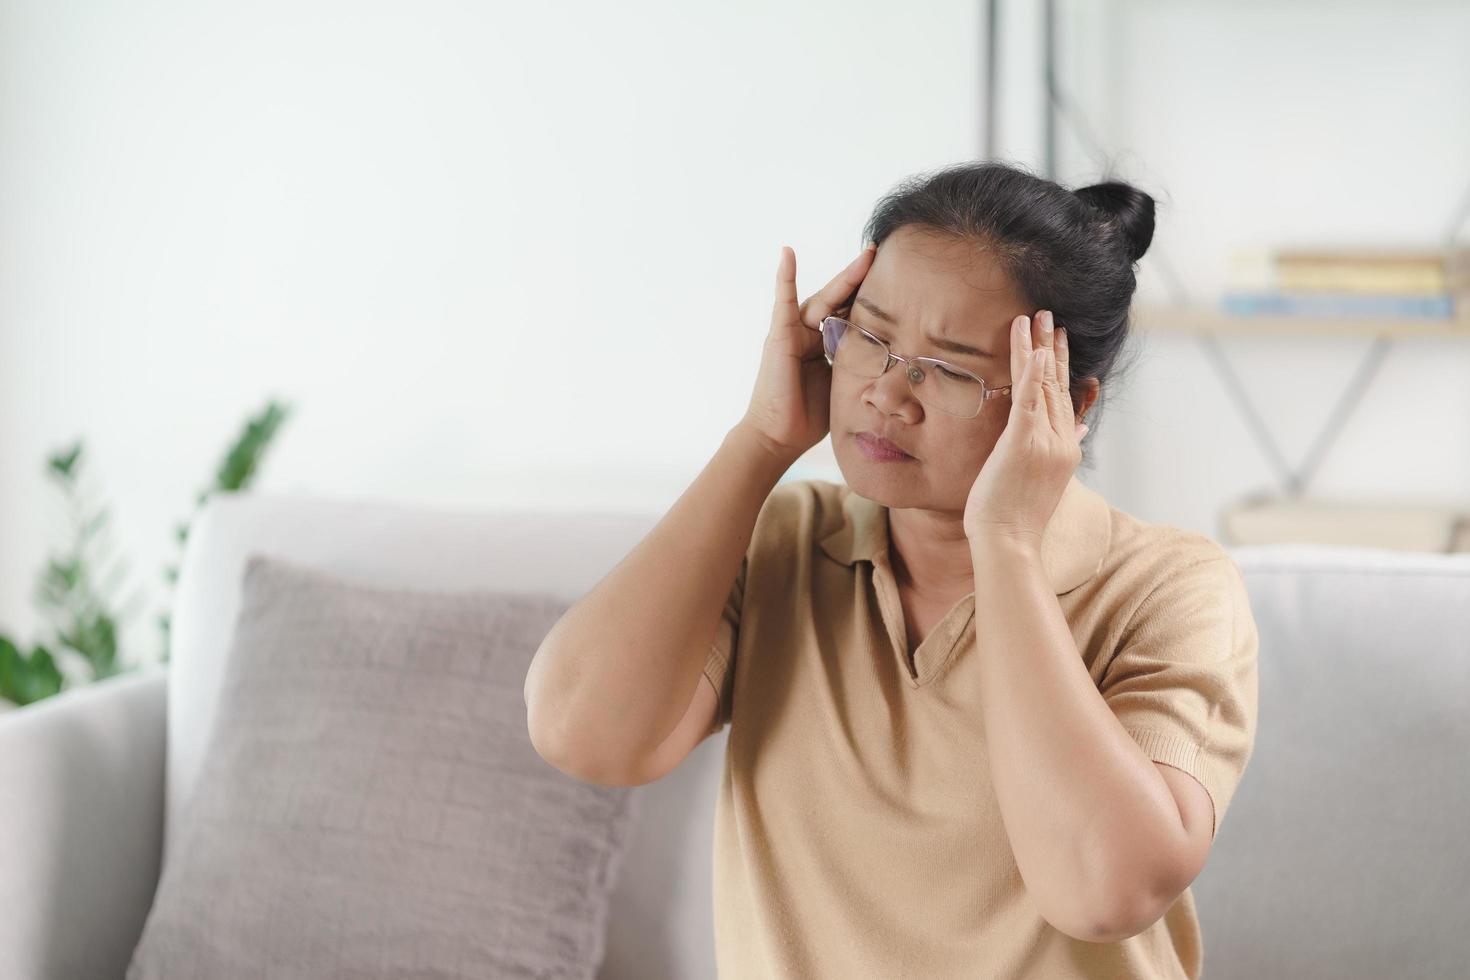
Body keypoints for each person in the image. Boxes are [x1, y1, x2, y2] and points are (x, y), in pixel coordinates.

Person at [524, 160, 1259, 980]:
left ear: (1069, 405)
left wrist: (1007, 544)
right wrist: (758, 445)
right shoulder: (788, 542)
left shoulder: (1170, 588)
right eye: (871, 337)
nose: (885, 394)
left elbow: (1104, 891)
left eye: (948, 370)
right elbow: (582, 735)